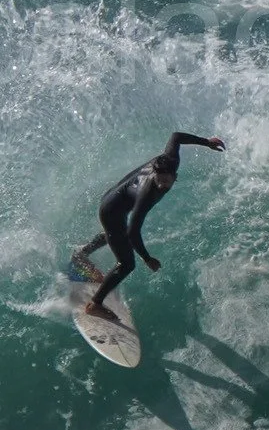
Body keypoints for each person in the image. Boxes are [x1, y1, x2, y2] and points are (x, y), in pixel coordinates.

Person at [71, 131, 224, 322]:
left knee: (114, 233)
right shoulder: (146, 194)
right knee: (127, 264)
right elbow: (133, 231)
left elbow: (176, 137)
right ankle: (95, 305)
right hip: (111, 210)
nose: (161, 185)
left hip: (113, 198)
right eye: (158, 180)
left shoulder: (170, 160)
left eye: (166, 181)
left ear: (174, 174)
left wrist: (206, 142)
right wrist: (146, 258)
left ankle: (82, 253)